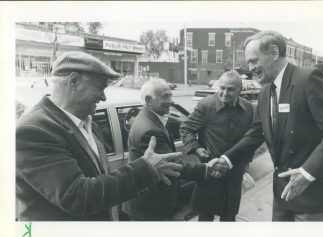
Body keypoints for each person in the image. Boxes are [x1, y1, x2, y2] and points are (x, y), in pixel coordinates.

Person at [16, 52, 183, 221]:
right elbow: (78, 196)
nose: (103, 97)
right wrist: (145, 169)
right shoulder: (33, 130)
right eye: (100, 88)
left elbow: (101, 183)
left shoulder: (89, 124)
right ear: (74, 81)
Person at [209, 31, 323, 221]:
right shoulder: (266, 91)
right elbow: (256, 133)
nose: (250, 68)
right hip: (283, 196)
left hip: (316, 200)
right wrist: (226, 159)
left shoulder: (309, 79)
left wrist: (306, 173)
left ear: (274, 53)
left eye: (253, 61)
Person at [122, 79, 228, 221]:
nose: (171, 101)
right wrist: (207, 169)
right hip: (149, 208)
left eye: (171, 95)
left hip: (147, 204)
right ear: (148, 100)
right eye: (165, 97)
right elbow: (172, 165)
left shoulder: (148, 117)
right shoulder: (150, 130)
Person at [179, 70, 255, 221]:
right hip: (211, 172)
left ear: (240, 90)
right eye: (222, 88)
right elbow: (185, 128)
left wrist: (245, 163)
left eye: (231, 89)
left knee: (229, 216)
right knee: (206, 217)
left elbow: (251, 138)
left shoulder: (249, 108)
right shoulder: (207, 105)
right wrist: (196, 148)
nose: (225, 93)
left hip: (234, 174)